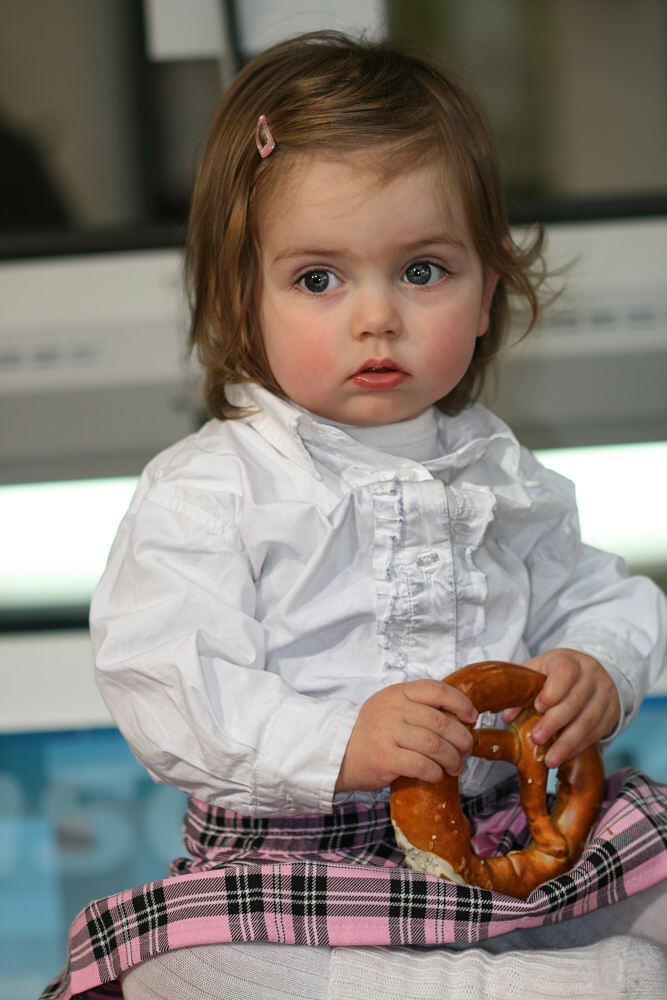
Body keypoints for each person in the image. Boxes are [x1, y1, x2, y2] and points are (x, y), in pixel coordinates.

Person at [43, 32, 667, 1000]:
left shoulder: (496, 466)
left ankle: (528, 964)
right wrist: (339, 744)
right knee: (183, 963)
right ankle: (557, 981)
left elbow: (597, 592)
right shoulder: (211, 488)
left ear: (489, 285)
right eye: (318, 279)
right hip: (294, 862)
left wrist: (597, 666)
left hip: (507, 829)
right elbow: (172, 686)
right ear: (239, 299)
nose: (375, 317)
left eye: (421, 271)